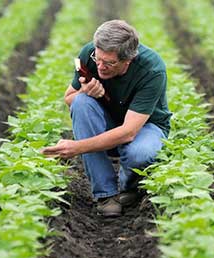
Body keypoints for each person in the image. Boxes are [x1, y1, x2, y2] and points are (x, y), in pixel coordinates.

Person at [41, 20, 171, 217]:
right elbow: (69, 98)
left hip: (145, 127)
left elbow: (128, 132)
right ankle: (105, 194)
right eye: (98, 58)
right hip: (106, 122)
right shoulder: (88, 54)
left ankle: (130, 187)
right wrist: (84, 91)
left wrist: (77, 147)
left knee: (139, 153)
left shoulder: (152, 70)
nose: (100, 67)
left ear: (128, 60)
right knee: (81, 102)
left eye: (109, 63)